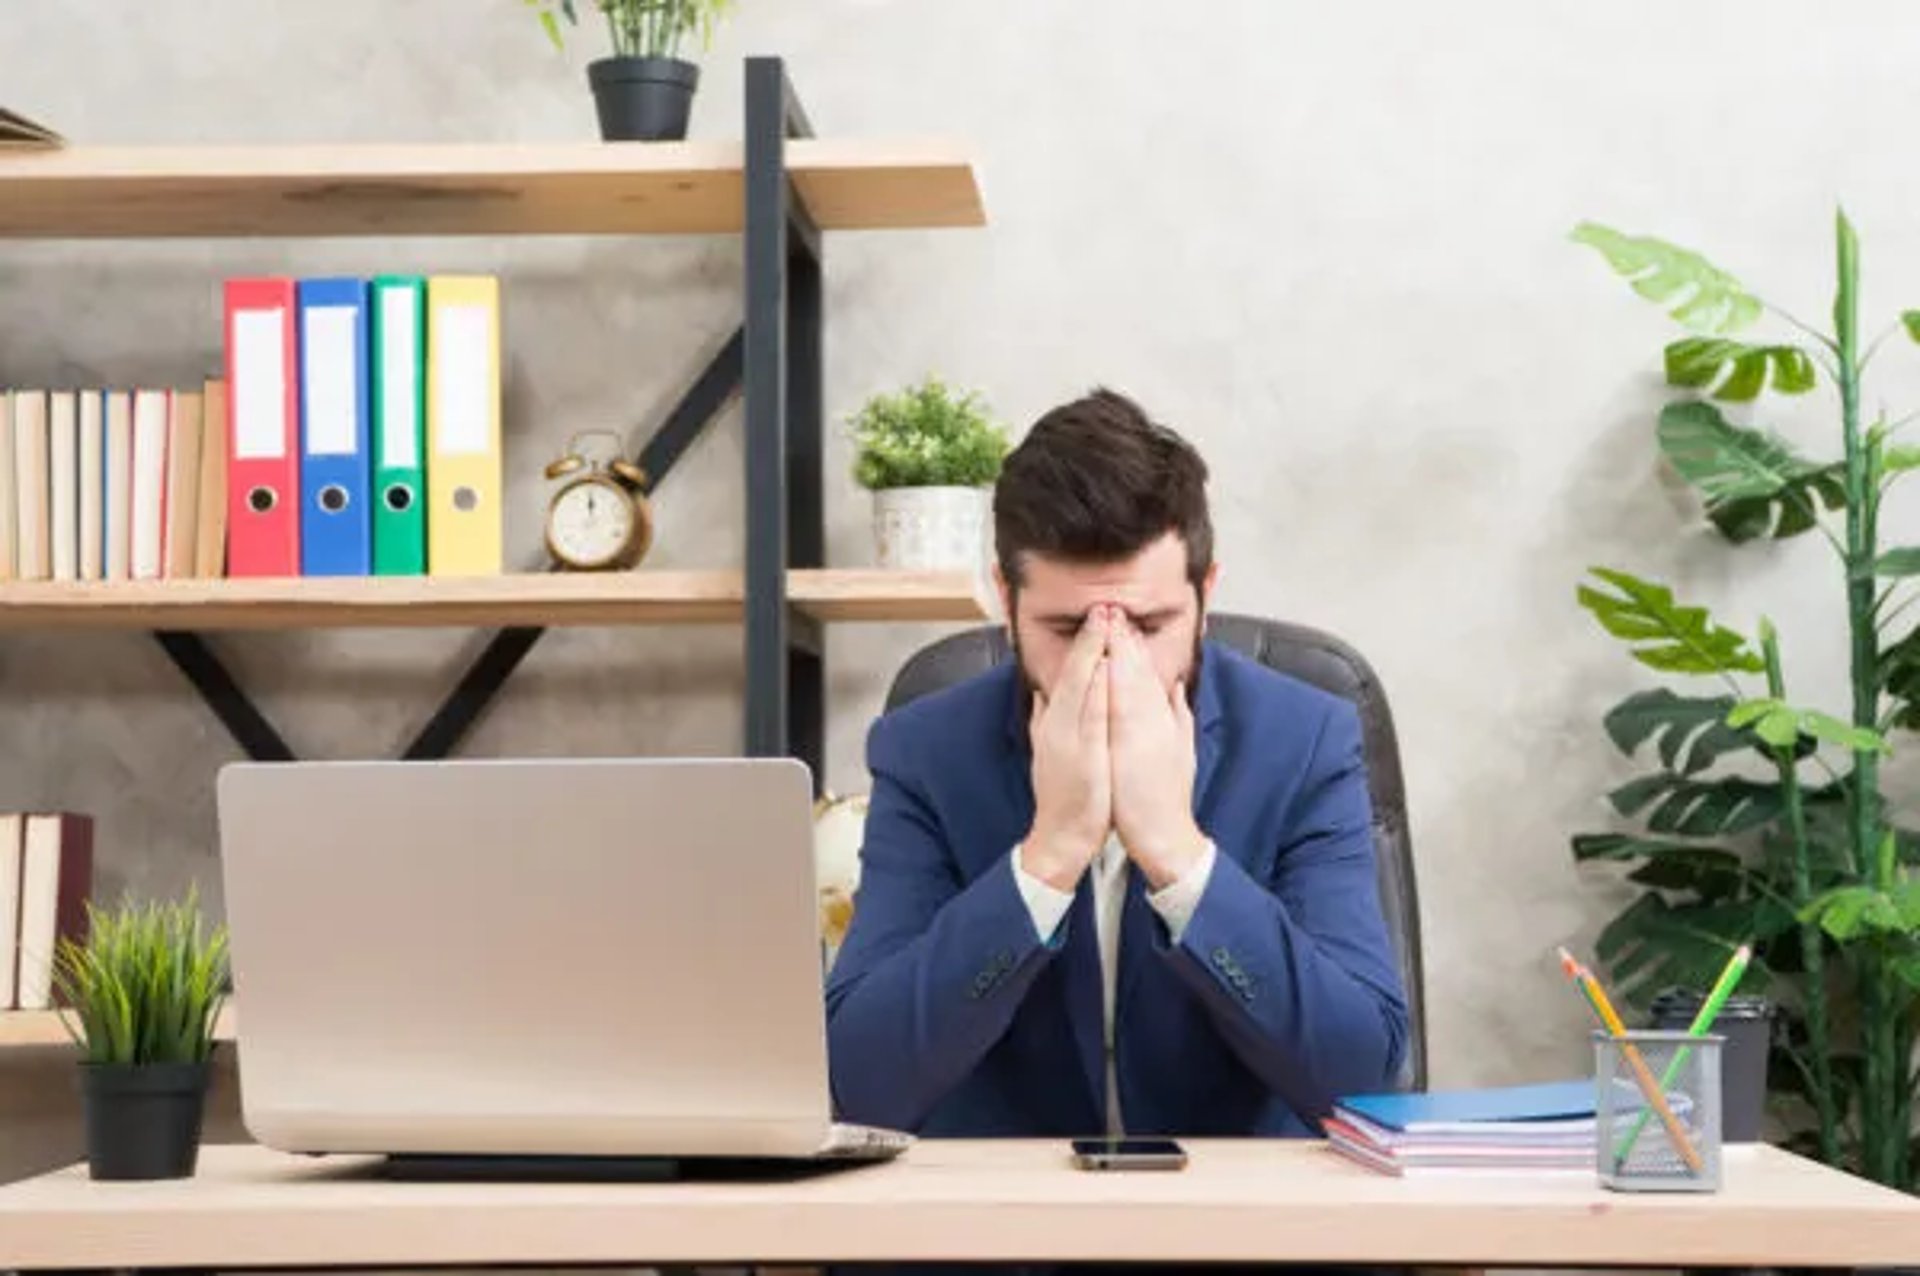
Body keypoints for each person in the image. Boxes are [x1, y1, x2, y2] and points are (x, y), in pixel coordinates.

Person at [826, 387, 1409, 1149]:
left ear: (1206, 593)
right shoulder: (926, 752)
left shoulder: (1304, 740)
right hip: (1001, 1238)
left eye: (1151, 624)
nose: (1108, 657)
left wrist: (1178, 854)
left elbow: (1362, 1077)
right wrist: (1049, 855)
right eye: (1066, 626)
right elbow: (859, 1083)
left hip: (1236, 1237)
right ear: (1005, 600)